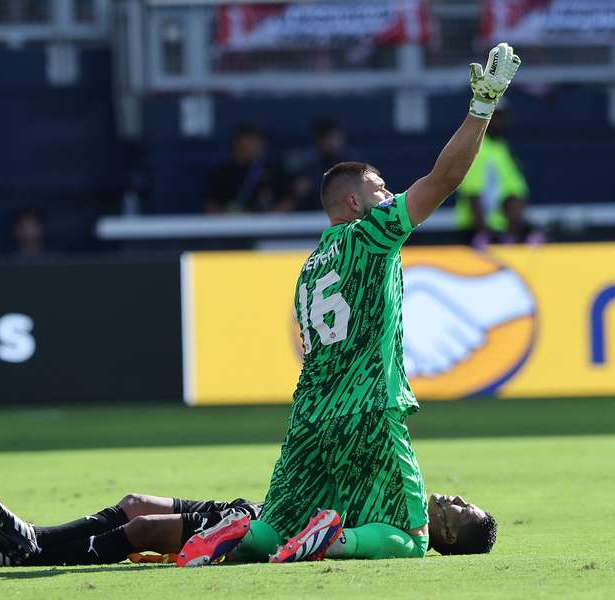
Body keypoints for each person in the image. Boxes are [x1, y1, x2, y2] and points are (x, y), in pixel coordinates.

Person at [177, 43, 520, 567]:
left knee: (277, 525)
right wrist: (483, 107)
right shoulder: (372, 234)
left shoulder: (313, 263)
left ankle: (239, 539)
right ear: (354, 203)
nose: (390, 196)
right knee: (411, 537)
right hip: (368, 405)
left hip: (310, 413)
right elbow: (444, 181)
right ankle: (331, 543)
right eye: (381, 189)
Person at [0, 492, 495, 566]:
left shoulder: (405, 538)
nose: (453, 498)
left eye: (462, 510)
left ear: (449, 538)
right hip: (259, 505)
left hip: (250, 527)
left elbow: (329, 540)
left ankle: (37, 556)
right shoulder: (399, 489)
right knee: (133, 503)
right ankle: (36, 535)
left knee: (147, 528)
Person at [454, 103, 529, 246]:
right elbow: (473, 194)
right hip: (477, 233)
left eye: (503, 116)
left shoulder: (500, 147)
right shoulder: (476, 149)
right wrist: (484, 234)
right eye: (495, 116)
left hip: (498, 231)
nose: (501, 121)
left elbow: (515, 191)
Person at [203, 122, 284, 214]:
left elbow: (287, 204)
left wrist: (264, 219)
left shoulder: (273, 170)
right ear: (237, 142)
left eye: (259, 140)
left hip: (266, 226)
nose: (257, 145)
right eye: (251, 139)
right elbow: (210, 207)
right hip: (231, 226)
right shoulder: (220, 173)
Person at [280, 118, 355, 212]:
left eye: (334, 137)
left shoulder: (354, 164)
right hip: (311, 215)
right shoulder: (306, 164)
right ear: (318, 140)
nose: (331, 142)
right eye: (326, 138)